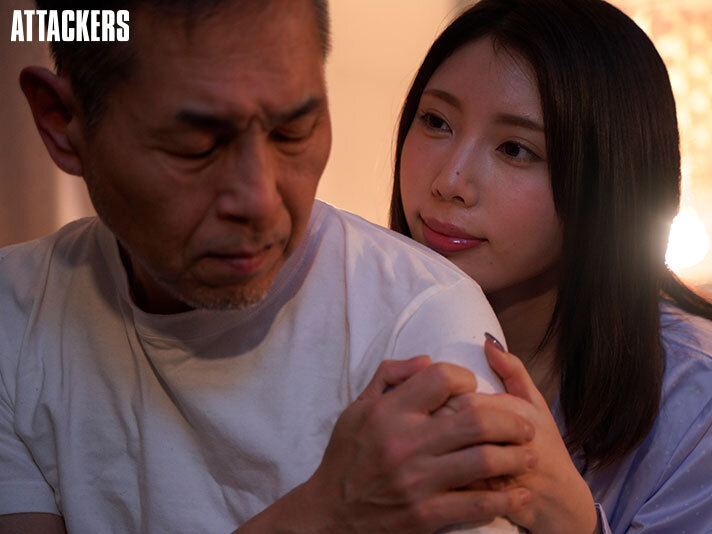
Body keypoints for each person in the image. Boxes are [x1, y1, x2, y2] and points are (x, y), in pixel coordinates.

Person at [0, 1, 538, 532]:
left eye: (291, 133)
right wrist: (322, 514)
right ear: (62, 122)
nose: (260, 200)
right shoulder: (14, 312)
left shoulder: (419, 322)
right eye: (196, 147)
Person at [388, 0, 712, 532]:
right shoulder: (354, 308)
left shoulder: (698, 385)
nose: (450, 181)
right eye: (436, 121)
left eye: (515, 149)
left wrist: (575, 521)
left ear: (605, 185)